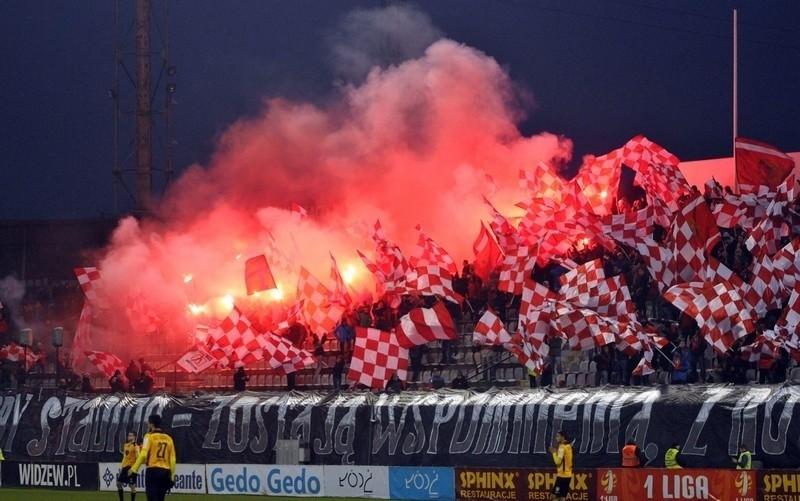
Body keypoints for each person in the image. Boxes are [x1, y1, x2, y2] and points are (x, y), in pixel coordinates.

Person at [129, 414, 176, 501]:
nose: (148, 424)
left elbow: (143, 455)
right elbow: (172, 460)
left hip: (153, 471)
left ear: (151, 424)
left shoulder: (149, 437)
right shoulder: (169, 439)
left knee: (152, 498)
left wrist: (134, 468)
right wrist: (172, 476)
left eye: (148, 423)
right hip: (165, 472)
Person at [549, 430, 573, 501]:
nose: (556, 438)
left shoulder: (562, 447)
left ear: (562, 437)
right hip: (567, 475)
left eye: (557, 436)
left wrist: (553, 453)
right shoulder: (568, 446)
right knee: (562, 498)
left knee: (554, 496)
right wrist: (557, 451)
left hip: (562, 476)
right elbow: (565, 457)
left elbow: (558, 461)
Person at [117, 431, 140, 501]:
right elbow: (124, 457)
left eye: (130, 435)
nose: (129, 436)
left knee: (132, 486)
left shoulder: (136, 446)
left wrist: (134, 469)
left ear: (134, 437)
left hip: (131, 468)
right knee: (118, 484)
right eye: (128, 435)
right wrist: (121, 466)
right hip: (125, 467)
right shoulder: (126, 445)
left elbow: (138, 457)